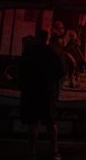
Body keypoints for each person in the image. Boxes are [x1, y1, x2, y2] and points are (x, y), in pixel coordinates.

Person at [19, 29, 65, 160]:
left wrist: (23, 88)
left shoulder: (29, 52)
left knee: (32, 123)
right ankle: (55, 151)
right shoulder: (53, 53)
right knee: (50, 122)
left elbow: (22, 72)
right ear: (48, 38)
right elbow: (61, 73)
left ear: (36, 37)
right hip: (47, 92)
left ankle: (32, 152)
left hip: (31, 92)